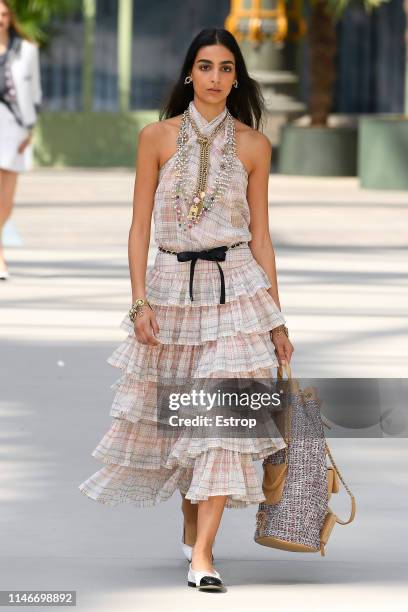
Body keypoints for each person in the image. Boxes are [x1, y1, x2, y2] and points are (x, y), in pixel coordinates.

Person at [79, 27, 294, 591]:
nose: (216, 78)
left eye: (227, 68)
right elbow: (138, 226)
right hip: (172, 289)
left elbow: (263, 237)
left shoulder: (253, 146)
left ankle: (203, 555)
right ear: (188, 73)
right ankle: (191, 516)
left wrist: (277, 320)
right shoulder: (156, 137)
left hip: (237, 289)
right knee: (185, 425)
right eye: (205, 67)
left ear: (237, 78)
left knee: (222, 422)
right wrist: (138, 303)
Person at [0, 0, 42, 280]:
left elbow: (35, 92)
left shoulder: (27, 50)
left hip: (14, 125)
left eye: (3, 14)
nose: (0, 19)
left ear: (10, 17)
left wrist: (30, 129)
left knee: (7, 193)